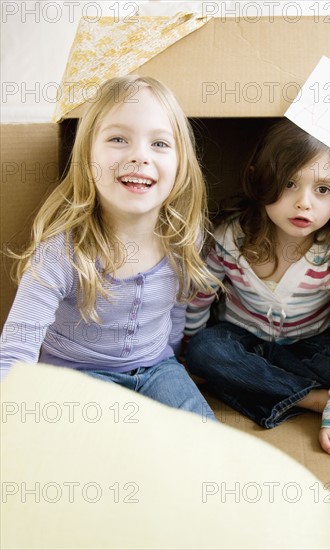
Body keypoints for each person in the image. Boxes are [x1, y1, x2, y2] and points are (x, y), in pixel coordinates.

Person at [0, 75, 217, 419]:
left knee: (206, 445)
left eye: (159, 144)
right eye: (118, 139)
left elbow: (177, 312)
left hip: (158, 369)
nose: (139, 156)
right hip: (76, 374)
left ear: (181, 165)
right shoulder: (61, 252)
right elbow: (17, 348)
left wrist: (178, 365)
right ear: (87, 157)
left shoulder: (185, 239)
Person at [184, 118, 330, 463]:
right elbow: (200, 295)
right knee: (207, 352)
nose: (304, 203)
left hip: (306, 347)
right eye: (289, 183)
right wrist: (188, 353)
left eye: (323, 190)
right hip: (240, 341)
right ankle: (316, 400)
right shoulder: (230, 237)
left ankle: (307, 394)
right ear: (260, 178)